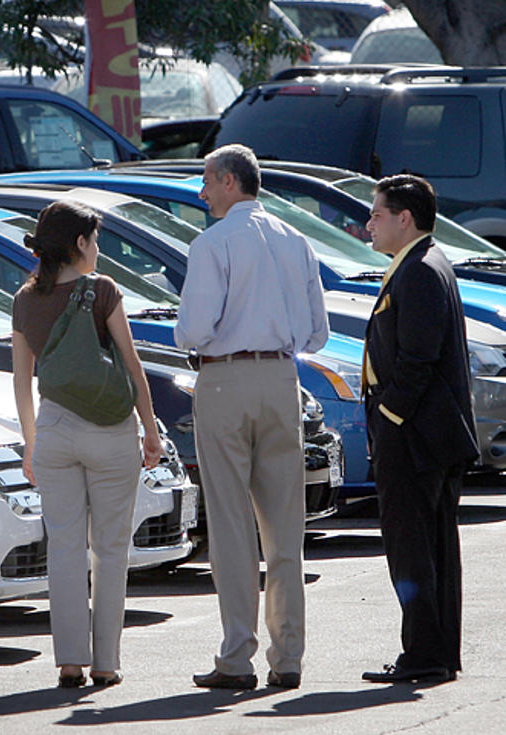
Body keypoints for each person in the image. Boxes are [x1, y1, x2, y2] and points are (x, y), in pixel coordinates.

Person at [174, 144, 329, 690]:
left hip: (225, 379)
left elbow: (192, 329)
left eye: (207, 183)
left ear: (228, 182)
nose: (203, 192)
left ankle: (237, 655)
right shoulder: (296, 240)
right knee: (285, 528)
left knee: (232, 524)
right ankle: (288, 658)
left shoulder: (212, 242)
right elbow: (318, 332)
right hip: (282, 378)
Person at [12, 199, 163, 689]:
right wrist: (151, 428)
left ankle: (70, 662)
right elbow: (132, 364)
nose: (98, 249)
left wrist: (32, 443)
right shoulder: (102, 291)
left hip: (54, 428)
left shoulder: (24, 299)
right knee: (111, 550)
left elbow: (21, 380)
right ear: (79, 243)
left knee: (65, 547)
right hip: (109, 430)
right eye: (94, 240)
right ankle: (106, 663)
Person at [361, 174, 477, 684]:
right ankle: (434, 652)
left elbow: (419, 359)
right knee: (427, 547)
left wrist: (389, 416)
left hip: (415, 436)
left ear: (404, 219)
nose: (369, 225)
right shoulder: (417, 264)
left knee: (413, 547)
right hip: (421, 434)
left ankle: (424, 654)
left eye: (377, 214)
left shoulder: (422, 271)